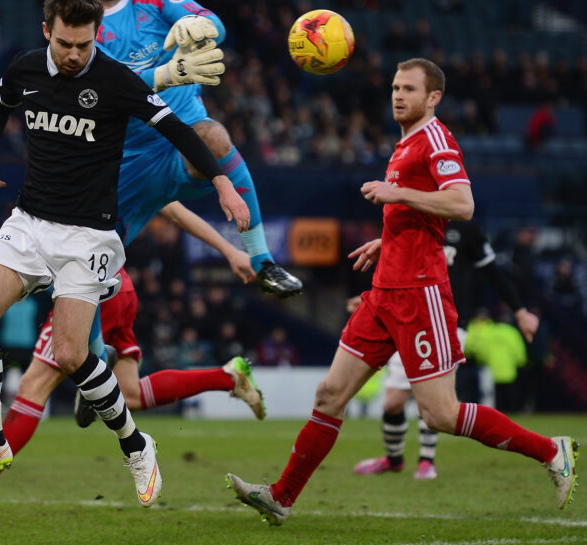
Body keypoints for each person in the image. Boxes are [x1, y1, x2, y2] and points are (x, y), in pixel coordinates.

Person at [0, 0, 249, 508]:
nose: (76, 54)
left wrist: (221, 183)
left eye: (84, 44)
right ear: (47, 32)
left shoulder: (115, 79)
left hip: (89, 235)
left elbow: (178, 130)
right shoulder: (26, 68)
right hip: (30, 221)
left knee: (71, 353)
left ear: (96, 35)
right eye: (65, 44)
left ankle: (135, 444)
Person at [227, 58, 578, 526]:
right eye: (395, 87)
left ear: (433, 97)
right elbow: (421, 216)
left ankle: (551, 451)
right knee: (330, 393)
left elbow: (462, 204)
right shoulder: (404, 143)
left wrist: (397, 196)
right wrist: (386, 239)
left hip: (420, 294)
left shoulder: (436, 139)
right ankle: (282, 497)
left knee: (440, 414)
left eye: (409, 88)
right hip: (383, 292)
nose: (397, 95)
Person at [0, 200, 265, 509]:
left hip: (92, 287)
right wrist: (228, 249)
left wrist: (229, 248)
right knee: (129, 393)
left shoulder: (108, 155)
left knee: (34, 386)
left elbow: (174, 207)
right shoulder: (119, 155)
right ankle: (227, 377)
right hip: (117, 284)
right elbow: (173, 207)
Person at [59, 0, 302, 299]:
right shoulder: (76, 28)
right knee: (83, 283)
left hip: (181, 140)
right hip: (125, 164)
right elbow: (97, 93)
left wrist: (199, 26)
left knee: (214, 134)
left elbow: (215, 26)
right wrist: (165, 74)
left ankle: (263, 261)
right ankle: (88, 353)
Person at [352, 219, 540, 480]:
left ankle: (426, 461)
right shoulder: (413, 221)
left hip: (448, 323)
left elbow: (493, 272)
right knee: (393, 401)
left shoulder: (466, 229)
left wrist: (520, 311)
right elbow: (395, 270)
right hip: (408, 320)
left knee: (432, 402)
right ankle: (393, 460)